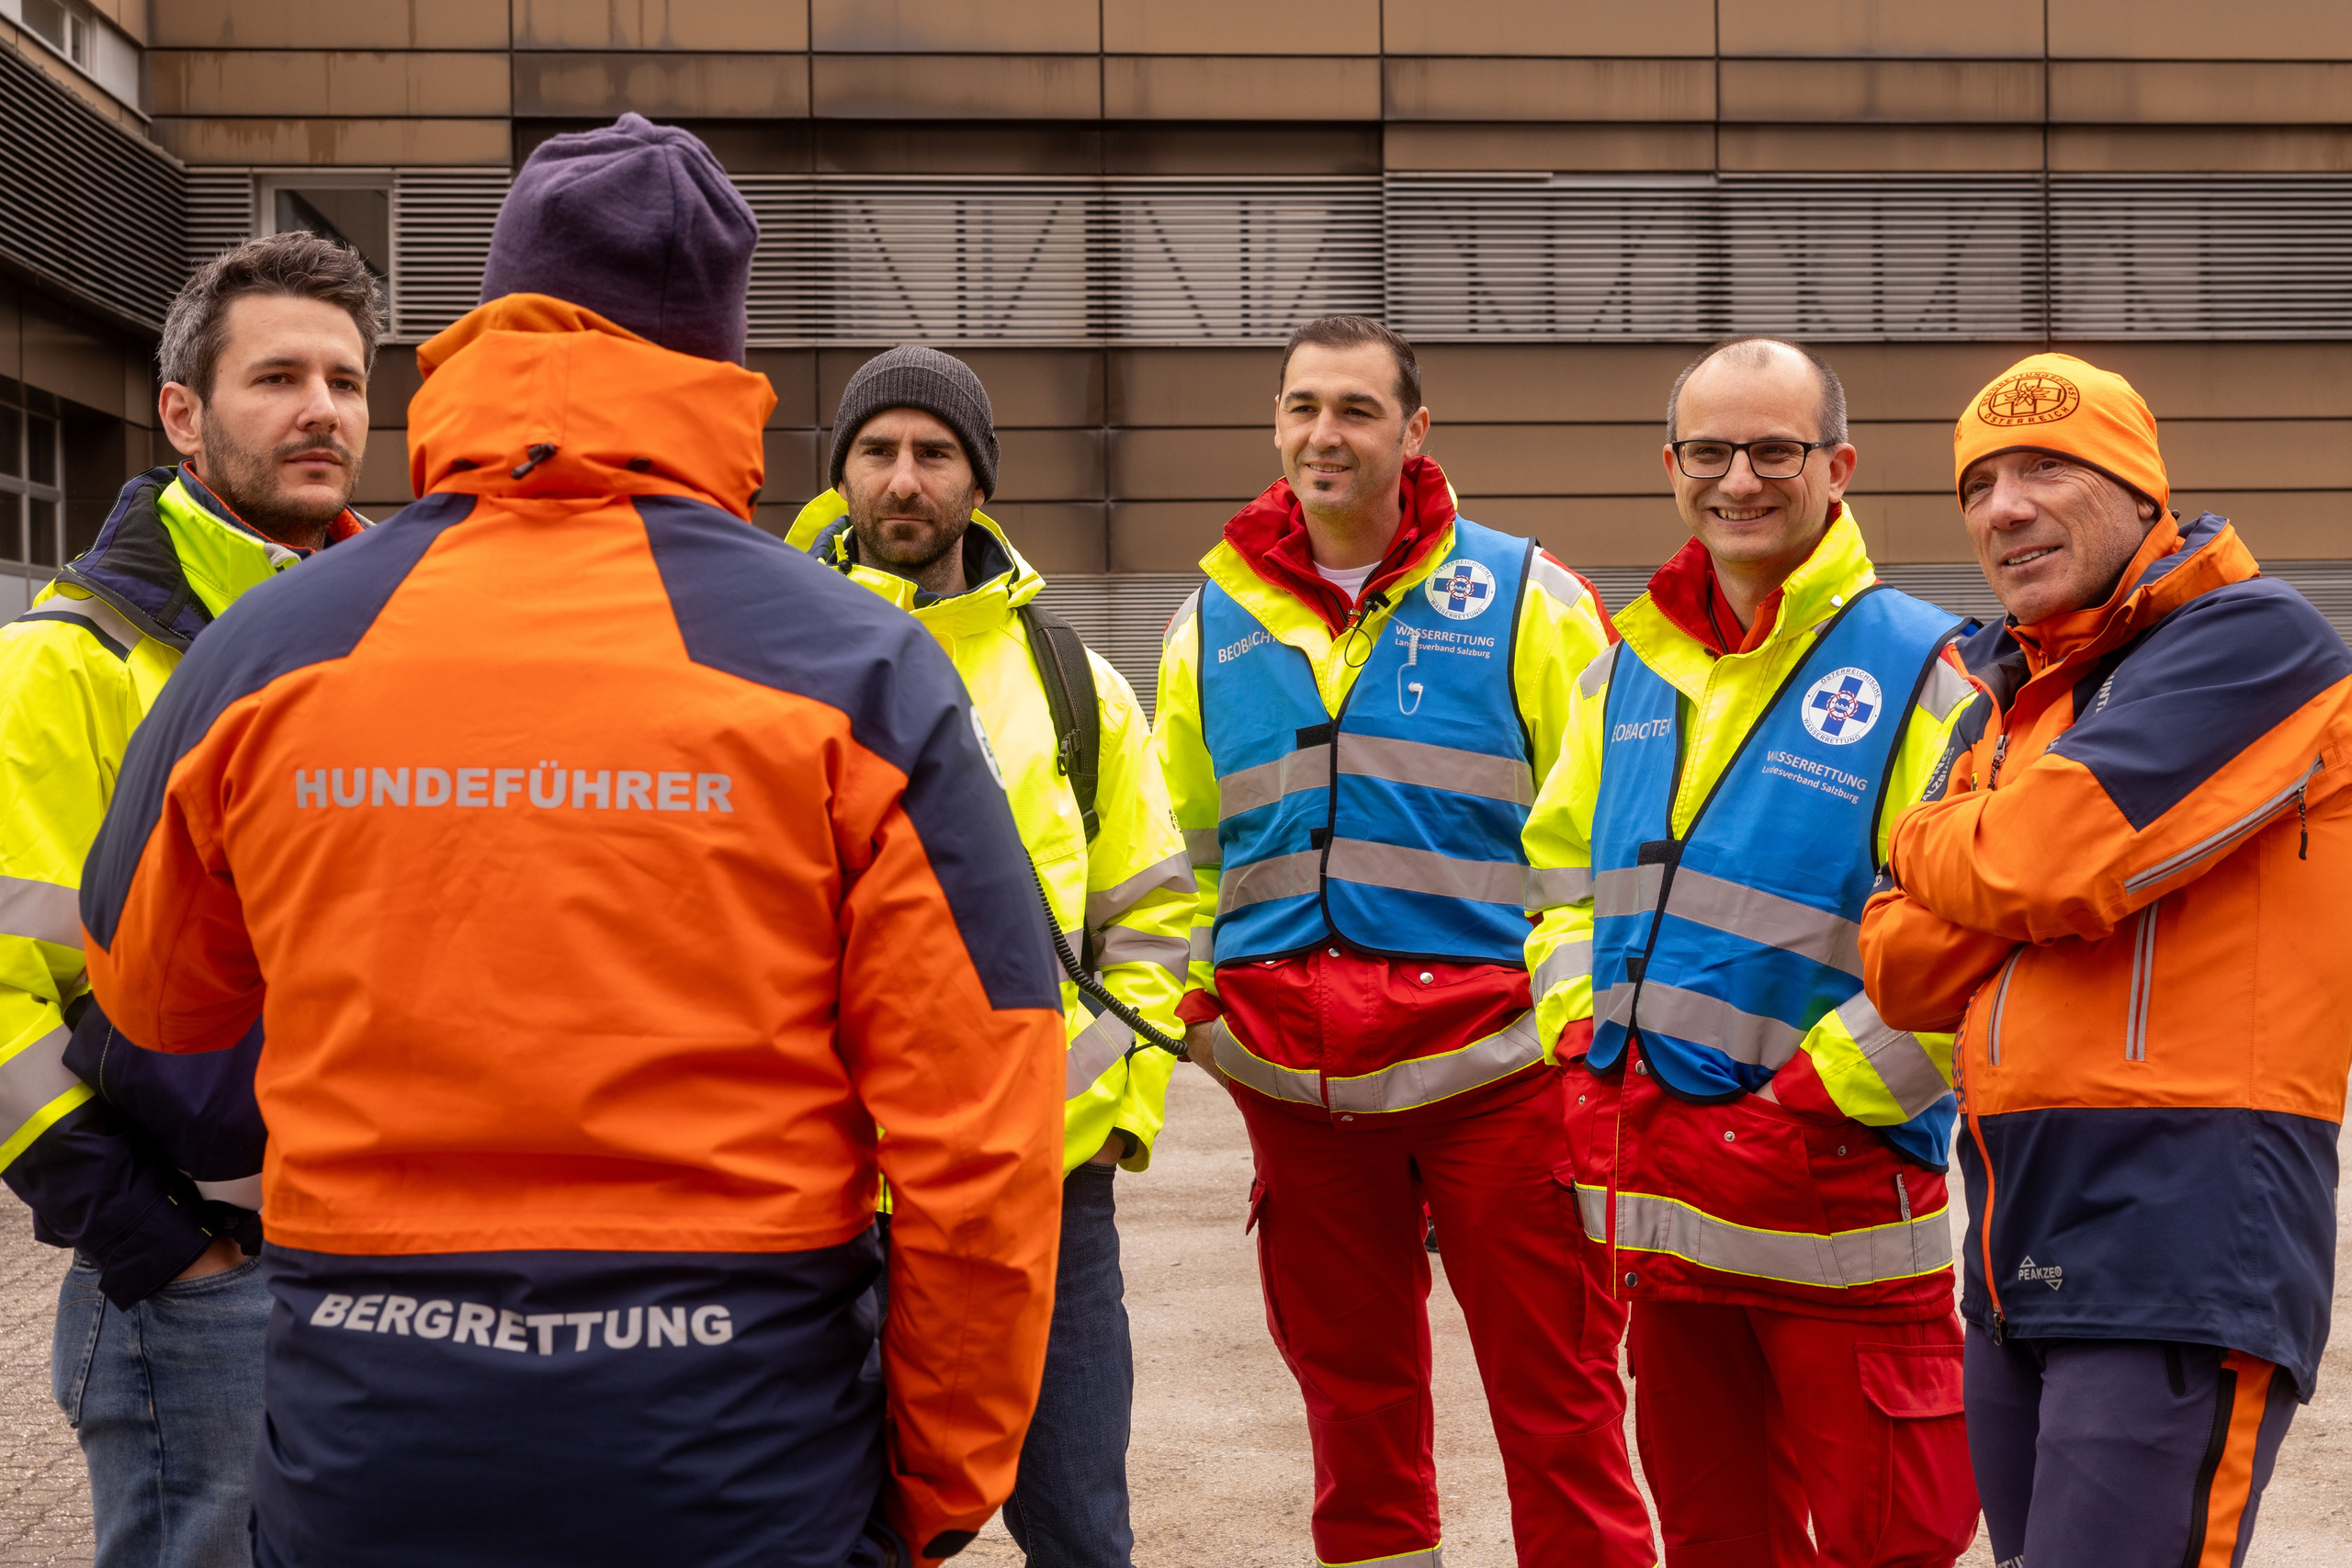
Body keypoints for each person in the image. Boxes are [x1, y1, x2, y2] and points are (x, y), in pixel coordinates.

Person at [74, 114, 1066, 1568]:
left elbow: (150, 995)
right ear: (723, 365)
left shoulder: (272, 649)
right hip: (739, 1449)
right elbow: (982, 1132)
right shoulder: (861, 669)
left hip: (372, 1435)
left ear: (486, 327)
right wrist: (933, 1486)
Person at [1153, 314, 1654, 1568]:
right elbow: (1184, 857)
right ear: (1277, 424)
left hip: (1502, 1083)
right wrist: (1204, 1004)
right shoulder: (1209, 621)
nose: (1327, 434)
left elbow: (1614, 826)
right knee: (1355, 1417)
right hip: (1299, 1090)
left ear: (1415, 431)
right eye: (1304, 407)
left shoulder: (1531, 598)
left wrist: (1584, 1022)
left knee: (1564, 1409)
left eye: (1357, 410)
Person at [1860, 353, 2352, 1568]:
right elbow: (1900, 967)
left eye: (2044, 469)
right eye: (1977, 485)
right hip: (2013, 1220)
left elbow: (2033, 865)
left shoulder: (2258, 646)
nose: (2001, 509)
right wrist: (2015, 872)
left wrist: (1923, 837)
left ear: (2143, 492)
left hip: (2186, 1218)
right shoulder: (2003, 700)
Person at [1521, 335, 1984, 1567]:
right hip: (1662, 1220)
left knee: (1899, 1543)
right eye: (1711, 451)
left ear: (1838, 467)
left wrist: (1815, 1101)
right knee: (1718, 1540)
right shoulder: (1624, 670)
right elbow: (1561, 875)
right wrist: (1574, 1034)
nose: (1741, 478)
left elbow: (1963, 941)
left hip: (1833, 1208)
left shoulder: (1928, 673)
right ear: (1670, 466)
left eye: (1775, 449)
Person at [0, 230, 379, 1568]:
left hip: (380, 1255)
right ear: (182, 411)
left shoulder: (397, 636)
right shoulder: (69, 668)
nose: (323, 408)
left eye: (345, 377)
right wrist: (159, 1241)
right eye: (277, 375)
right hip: (198, 1276)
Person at [785, 345, 1192, 1568]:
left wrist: (1110, 1110)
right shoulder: (768, 665)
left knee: (1074, 1523)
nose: (903, 480)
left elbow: (1154, 916)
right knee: (841, 1527)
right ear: (842, 473)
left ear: (979, 480)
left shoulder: (1076, 687)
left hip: (1041, 1190)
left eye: (933, 453)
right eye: (876, 452)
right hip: (827, 1196)